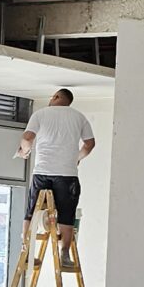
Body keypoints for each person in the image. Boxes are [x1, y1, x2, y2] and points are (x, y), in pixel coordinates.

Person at [17, 87, 95, 228]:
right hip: (67, 174)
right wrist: (77, 158)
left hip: (42, 172)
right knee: (66, 218)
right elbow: (89, 144)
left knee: (32, 213)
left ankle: (25, 239)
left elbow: (27, 138)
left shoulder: (40, 114)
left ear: (56, 97)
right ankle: (64, 242)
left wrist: (24, 151)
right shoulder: (79, 117)